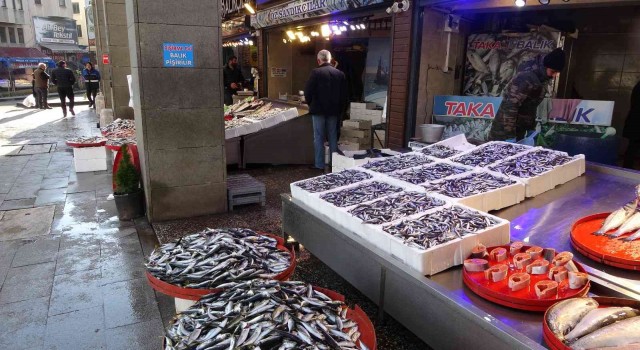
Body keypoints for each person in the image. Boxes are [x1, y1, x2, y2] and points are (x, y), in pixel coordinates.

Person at [488, 48, 566, 141]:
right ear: (545, 66)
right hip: (503, 131)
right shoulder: (525, 77)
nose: (554, 76)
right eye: (553, 71)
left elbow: (530, 106)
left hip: (519, 128)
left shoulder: (541, 77)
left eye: (557, 73)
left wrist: (530, 128)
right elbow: (510, 105)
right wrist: (509, 136)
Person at [304, 50, 348, 170]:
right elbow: (345, 95)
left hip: (318, 110)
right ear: (330, 59)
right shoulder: (340, 74)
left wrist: (310, 104)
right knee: (332, 137)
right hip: (334, 111)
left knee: (319, 137)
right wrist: (341, 110)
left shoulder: (316, 72)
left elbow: (308, 91)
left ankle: (319, 164)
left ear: (319, 60)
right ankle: (334, 164)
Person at [623, 81, 640, 169]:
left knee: (632, 147)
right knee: (632, 148)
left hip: (634, 122)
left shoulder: (637, 86)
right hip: (637, 123)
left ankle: (626, 169)